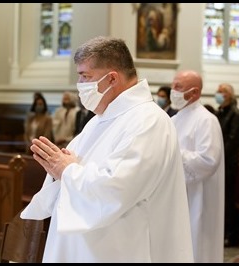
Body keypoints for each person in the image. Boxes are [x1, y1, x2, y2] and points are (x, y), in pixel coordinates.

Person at [21, 36, 194, 263]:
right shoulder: (99, 119)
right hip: (86, 248)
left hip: (121, 249)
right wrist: (58, 168)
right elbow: (71, 170)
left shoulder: (149, 121)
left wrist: (67, 170)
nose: (80, 85)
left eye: (86, 77)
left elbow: (118, 188)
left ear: (112, 78)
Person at [170, 70, 225, 262]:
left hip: (198, 197)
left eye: (178, 87)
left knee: (197, 244)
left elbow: (208, 160)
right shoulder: (173, 120)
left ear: (194, 93)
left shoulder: (207, 120)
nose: (173, 91)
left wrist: (172, 154)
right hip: (177, 195)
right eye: (173, 86)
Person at [215, 83, 239, 247]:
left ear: (231, 95)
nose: (219, 94)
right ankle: (222, 232)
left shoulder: (236, 114)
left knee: (228, 199)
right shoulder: (220, 112)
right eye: (218, 91)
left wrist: (217, 157)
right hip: (219, 162)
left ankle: (230, 235)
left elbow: (233, 141)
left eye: (223, 92)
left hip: (228, 164)